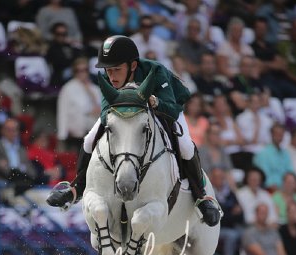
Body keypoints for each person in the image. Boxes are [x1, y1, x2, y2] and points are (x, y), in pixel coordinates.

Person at [47, 35, 221, 227]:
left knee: (186, 145)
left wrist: (155, 102)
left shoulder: (156, 71)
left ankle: (202, 197)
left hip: (166, 107)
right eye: (108, 70)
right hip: (127, 113)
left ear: (133, 66)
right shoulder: (108, 77)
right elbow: (105, 115)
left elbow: (172, 109)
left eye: (117, 69)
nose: (112, 76)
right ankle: (76, 189)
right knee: (89, 139)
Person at [56, 57, 101, 154]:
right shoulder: (67, 88)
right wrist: (62, 136)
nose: (82, 73)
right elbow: (62, 112)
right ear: (74, 72)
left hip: (93, 133)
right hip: (75, 135)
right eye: (78, 70)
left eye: (85, 70)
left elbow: (100, 107)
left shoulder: (95, 88)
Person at [0, 118, 37, 190]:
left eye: (14, 130)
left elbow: (32, 172)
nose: (12, 132)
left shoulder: (22, 150)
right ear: (2, 130)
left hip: (22, 185)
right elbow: (1, 169)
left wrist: (17, 170)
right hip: (3, 185)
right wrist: (22, 169)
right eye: (9, 129)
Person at [253, 122, 295, 191]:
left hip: (286, 189)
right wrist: (277, 190)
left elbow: (290, 172)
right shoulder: (263, 153)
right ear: (271, 135)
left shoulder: (286, 153)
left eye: (281, 134)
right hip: (270, 190)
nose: (279, 136)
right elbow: (264, 177)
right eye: (277, 134)